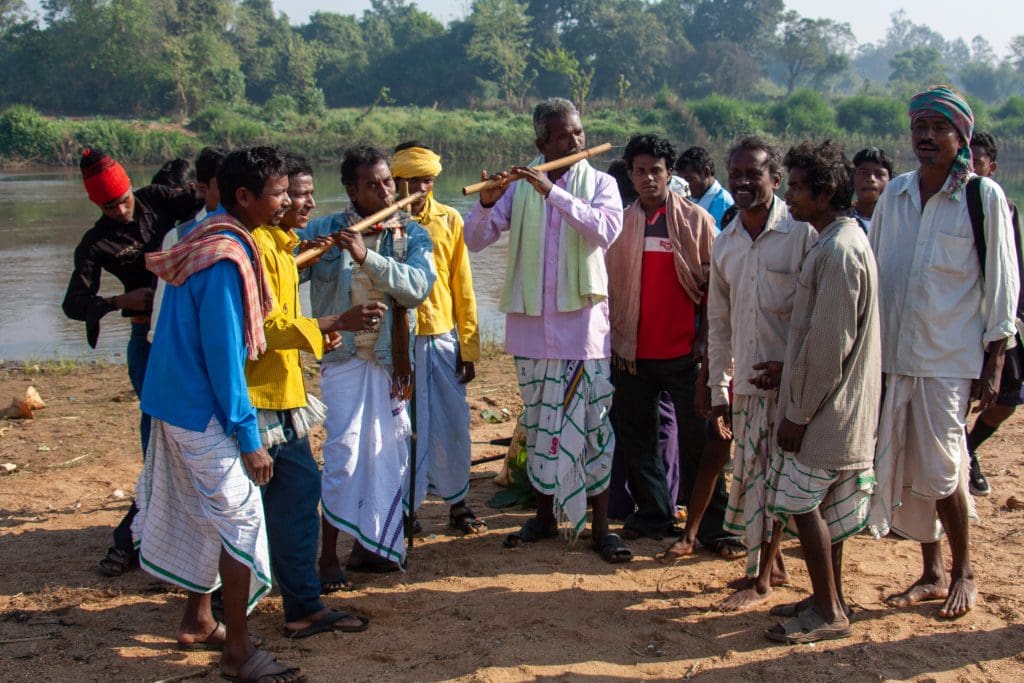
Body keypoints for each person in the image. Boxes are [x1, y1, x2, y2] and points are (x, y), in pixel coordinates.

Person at [133, 146, 303, 682]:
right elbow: (225, 354)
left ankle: (199, 619)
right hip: (196, 403)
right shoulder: (227, 256)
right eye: (277, 193)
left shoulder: (206, 235)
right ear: (246, 197)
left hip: (172, 395)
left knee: (204, 509)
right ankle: (239, 652)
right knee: (242, 517)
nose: (284, 202)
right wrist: (247, 435)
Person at [867, 87, 1020, 620]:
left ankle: (965, 573)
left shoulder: (983, 198)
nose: (926, 136)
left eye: (938, 127)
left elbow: (1002, 285)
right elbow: (877, 271)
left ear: (961, 137)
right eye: (919, 127)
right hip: (896, 357)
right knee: (910, 465)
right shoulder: (897, 195)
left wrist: (994, 362)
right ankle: (931, 572)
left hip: (949, 359)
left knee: (946, 466)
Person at [658, 136, 818, 612]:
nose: (745, 182)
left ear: (776, 179)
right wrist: (717, 388)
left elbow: (815, 315)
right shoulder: (726, 243)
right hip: (746, 386)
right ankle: (769, 568)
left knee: (780, 480)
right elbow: (720, 325)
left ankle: (762, 579)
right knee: (751, 478)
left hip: (792, 385)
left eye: (755, 174)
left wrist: (795, 369)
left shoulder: (802, 234)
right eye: (738, 174)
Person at [464, 97, 627, 562]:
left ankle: (599, 528)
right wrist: (487, 201)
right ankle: (543, 516)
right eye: (563, 136)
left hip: (584, 336)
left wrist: (551, 193)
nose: (575, 141)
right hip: (533, 334)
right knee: (539, 424)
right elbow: (476, 240)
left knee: (594, 428)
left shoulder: (601, 183)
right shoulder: (517, 189)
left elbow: (604, 231)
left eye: (577, 132)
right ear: (541, 142)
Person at [245, 153, 373, 638]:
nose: (305, 202)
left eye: (304, 193)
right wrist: (332, 323)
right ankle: (233, 607)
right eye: (292, 194)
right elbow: (261, 327)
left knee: (295, 495)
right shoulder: (253, 247)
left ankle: (298, 603)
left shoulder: (281, 246)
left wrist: (315, 334)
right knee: (268, 502)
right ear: (261, 198)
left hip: (282, 392)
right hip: (258, 397)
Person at [62, 147, 200, 577]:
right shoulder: (96, 242)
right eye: (110, 206)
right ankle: (139, 534)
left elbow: (215, 202)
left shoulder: (158, 198)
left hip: (186, 330)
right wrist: (121, 301)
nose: (121, 211)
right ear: (97, 206)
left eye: (124, 201)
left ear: (130, 190)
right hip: (147, 339)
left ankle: (152, 531)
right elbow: (73, 303)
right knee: (157, 435)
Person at [763, 140, 881, 644]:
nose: (788, 196)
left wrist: (799, 412)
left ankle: (829, 610)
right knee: (819, 506)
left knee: (802, 504)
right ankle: (824, 597)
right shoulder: (837, 241)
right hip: (831, 406)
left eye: (795, 187)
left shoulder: (838, 250)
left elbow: (830, 345)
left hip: (827, 411)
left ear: (824, 190)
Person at [301, 145, 436, 574]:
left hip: (390, 365)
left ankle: (373, 547)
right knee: (343, 454)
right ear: (351, 190)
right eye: (372, 184)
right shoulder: (324, 230)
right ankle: (326, 557)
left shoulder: (412, 234)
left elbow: (416, 288)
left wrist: (365, 255)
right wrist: (305, 252)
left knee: (388, 454)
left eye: (387, 182)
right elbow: (282, 274)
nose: (384, 190)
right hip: (343, 361)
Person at [605, 134, 716, 546]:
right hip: (632, 354)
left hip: (684, 354)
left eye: (656, 170)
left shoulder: (696, 222)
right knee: (639, 441)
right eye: (640, 171)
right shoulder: (620, 223)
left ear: (669, 173)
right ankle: (654, 513)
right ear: (630, 175)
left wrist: (705, 342)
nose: (648, 178)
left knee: (697, 442)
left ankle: (709, 523)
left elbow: (714, 289)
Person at [391, 142, 486, 534]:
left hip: (443, 335)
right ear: (396, 182)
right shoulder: (384, 226)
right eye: (412, 181)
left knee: (452, 420)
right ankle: (404, 510)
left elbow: (462, 285)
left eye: (427, 180)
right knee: (403, 426)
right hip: (399, 342)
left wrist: (469, 346)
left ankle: (457, 503)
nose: (420, 188)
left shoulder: (448, 220)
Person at [964, 131, 1024, 496]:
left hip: (999, 318)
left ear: (992, 167)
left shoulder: (1004, 206)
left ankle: (968, 451)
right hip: (963, 320)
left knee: (1006, 400)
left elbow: (1012, 267)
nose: (969, 167)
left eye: (977, 161)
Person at [149, 147, 227, 343]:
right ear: (203, 189)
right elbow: (162, 307)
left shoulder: (250, 231)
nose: (231, 195)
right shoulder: (179, 237)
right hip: (194, 343)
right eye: (223, 187)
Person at [675, 146, 734, 228]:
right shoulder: (691, 199)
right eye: (682, 181)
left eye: (690, 180)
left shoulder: (724, 204)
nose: (685, 186)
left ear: (706, 172)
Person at [850, 147, 894, 233]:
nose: (871, 179)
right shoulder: (842, 219)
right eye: (863, 173)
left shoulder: (898, 220)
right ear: (852, 178)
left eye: (879, 174)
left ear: (891, 181)